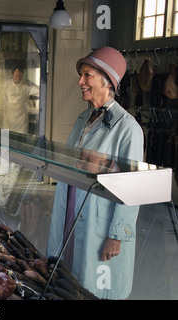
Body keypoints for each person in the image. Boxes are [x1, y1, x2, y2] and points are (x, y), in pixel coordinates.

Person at [46, 47, 144, 300]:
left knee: (96, 285)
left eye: (87, 75)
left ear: (107, 81)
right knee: (68, 274)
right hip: (73, 207)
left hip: (100, 218)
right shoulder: (83, 119)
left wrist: (116, 236)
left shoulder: (128, 129)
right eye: (82, 75)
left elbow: (132, 188)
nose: (80, 81)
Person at [2, 68, 39, 134]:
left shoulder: (27, 85)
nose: (18, 79)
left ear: (22, 75)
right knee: (7, 140)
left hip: (21, 120)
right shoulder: (7, 84)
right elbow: (3, 100)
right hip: (8, 119)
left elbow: (40, 91)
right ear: (12, 75)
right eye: (16, 76)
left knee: (21, 139)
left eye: (20, 76)